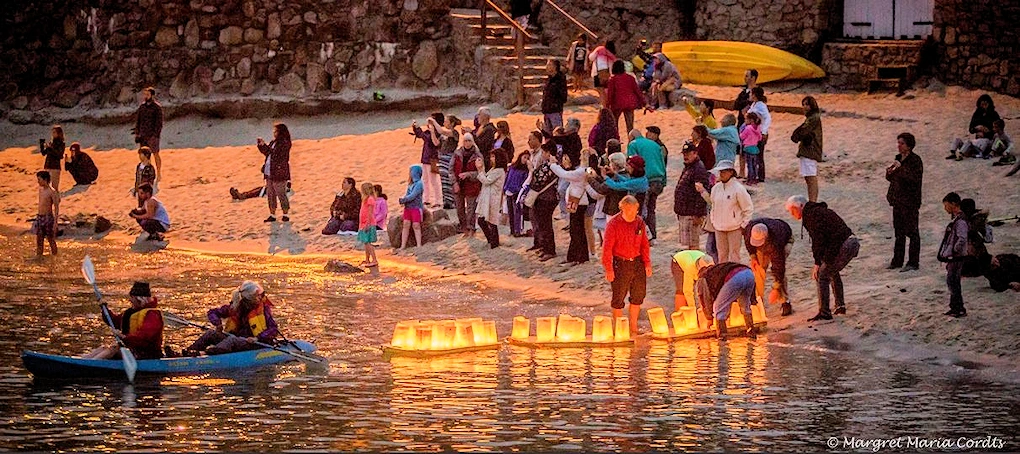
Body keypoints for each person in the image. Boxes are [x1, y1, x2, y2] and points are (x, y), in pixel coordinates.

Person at [786, 195, 859, 321]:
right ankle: (840, 306)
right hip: (850, 242)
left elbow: (819, 240)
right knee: (831, 271)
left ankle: (825, 312)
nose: (791, 214)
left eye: (792, 210)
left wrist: (817, 263)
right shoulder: (816, 212)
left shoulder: (812, 215)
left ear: (801, 206)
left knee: (822, 275)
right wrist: (822, 260)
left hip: (845, 244)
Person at [184, 281, 279, 356]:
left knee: (231, 340)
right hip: (237, 340)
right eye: (260, 295)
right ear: (251, 298)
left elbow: (273, 329)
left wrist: (257, 338)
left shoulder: (263, 310)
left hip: (254, 343)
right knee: (210, 334)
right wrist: (218, 323)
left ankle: (205, 354)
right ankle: (187, 353)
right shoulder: (235, 307)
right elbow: (212, 312)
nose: (262, 297)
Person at [602, 195, 651, 336]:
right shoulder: (613, 224)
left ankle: (633, 327)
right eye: (628, 210)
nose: (632, 213)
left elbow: (644, 244)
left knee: (638, 295)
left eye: (635, 210)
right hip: (620, 262)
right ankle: (619, 328)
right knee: (618, 296)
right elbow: (607, 249)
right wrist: (609, 269)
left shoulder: (639, 222)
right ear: (622, 208)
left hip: (637, 262)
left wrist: (647, 263)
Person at [82, 282, 164, 360]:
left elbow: (144, 336)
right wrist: (104, 308)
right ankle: (83, 361)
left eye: (132, 298)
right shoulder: (130, 312)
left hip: (148, 355)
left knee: (114, 349)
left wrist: (123, 337)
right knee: (103, 348)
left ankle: (89, 365)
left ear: (140, 299)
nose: (130, 300)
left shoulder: (152, 315)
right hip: (132, 351)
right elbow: (114, 322)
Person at [696, 160, 753, 263]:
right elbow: (713, 204)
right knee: (722, 255)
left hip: (734, 227)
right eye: (720, 171)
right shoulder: (716, 188)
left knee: (734, 256)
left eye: (724, 171)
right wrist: (714, 220)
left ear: (731, 172)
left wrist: (743, 225)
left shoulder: (738, 189)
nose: (721, 174)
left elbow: (748, 208)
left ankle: (734, 277)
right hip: (719, 227)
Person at [885, 132, 923, 272]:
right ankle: (897, 261)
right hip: (897, 200)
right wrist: (890, 172)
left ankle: (913, 262)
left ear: (909, 146)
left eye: (902, 143)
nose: (899, 146)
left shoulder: (915, 160)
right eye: (898, 143)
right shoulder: (898, 158)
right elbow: (891, 178)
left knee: (912, 232)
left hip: (910, 201)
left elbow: (914, 179)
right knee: (899, 233)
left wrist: (900, 170)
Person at [694, 261, 759, 339]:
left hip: (734, 277)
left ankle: (722, 338)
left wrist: (709, 318)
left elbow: (704, 299)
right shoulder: (717, 271)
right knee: (745, 306)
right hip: (748, 273)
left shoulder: (702, 278)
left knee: (718, 309)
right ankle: (751, 331)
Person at [744, 218, 794, 316]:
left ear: (766, 237)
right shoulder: (749, 230)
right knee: (758, 270)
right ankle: (758, 303)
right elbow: (748, 244)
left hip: (785, 240)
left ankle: (785, 302)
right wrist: (753, 257)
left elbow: (779, 266)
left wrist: (775, 288)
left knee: (778, 274)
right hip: (768, 239)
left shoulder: (777, 240)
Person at [551, 149, 592, 265]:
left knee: (576, 230)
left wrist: (553, 164)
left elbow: (565, 174)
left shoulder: (582, 171)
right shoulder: (585, 170)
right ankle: (576, 256)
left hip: (578, 202)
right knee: (576, 230)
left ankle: (578, 257)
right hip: (576, 200)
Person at [627, 130, 665, 240]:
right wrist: (664, 180)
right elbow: (662, 162)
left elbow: (631, 164)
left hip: (645, 180)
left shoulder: (633, 145)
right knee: (651, 209)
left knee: (642, 209)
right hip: (658, 179)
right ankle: (652, 234)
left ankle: (643, 236)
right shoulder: (654, 144)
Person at [674, 141, 711, 251]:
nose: (685, 156)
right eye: (684, 154)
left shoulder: (698, 169)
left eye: (688, 153)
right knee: (688, 243)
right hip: (685, 211)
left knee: (693, 244)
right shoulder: (689, 167)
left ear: (695, 153)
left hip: (692, 213)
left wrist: (698, 214)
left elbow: (701, 194)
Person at [937, 192, 969, 318]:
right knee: (952, 282)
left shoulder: (960, 221)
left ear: (953, 204)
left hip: (957, 257)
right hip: (955, 256)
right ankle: (955, 307)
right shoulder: (958, 219)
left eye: (946, 205)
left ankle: (958, 308)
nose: (945, 208)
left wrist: (954, 251)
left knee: (953, 282)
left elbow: (962, 238)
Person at [528, 141, 560, 261]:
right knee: (542, 224)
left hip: (548, 198)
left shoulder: (552, 164)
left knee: (546, 224)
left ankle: (550, 250)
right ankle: (545, 247)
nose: (542, 154)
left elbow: (540, 179)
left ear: (548, 153)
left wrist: (531, 170)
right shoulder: (548, 164)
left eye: (543, 152)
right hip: (543, 197)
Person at [257, 123, 292, 223]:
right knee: (270, 194)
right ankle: (272, 214)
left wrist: (265, 146)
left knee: (281, 194)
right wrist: (261, 146)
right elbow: (268, 153)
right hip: (270, 171)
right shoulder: (274, 142)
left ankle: (285, 214)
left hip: (279, 172)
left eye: (275, 131)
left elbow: (276, 154)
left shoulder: (285, 143)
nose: (274, 133)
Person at [948, 94, 1000, 160]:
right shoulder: (977, 114)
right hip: (976, 141)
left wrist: (986, 132)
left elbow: (998, 131)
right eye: (982, 105)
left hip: (987, 141)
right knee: (957, 140)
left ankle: (961, 154)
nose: (984, 107)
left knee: (971, 142)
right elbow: (971, 129)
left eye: (985, 104)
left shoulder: (994, 115)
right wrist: (976, 128)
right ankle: (953, 153)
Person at [792, 96, 823, 202]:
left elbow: (804, 130)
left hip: (811, 150)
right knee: (807, 176)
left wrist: (797, 135)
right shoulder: (811, 118)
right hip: (807, 150)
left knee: (811, 176)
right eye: (803, 104)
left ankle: (813, 201)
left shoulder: (813, 118)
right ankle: (812, 200)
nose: (805, 107)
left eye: (807, 104)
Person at [411, 113, 444, 209]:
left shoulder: (437, 133)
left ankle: (438, 200)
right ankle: (426, 200)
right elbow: (421, 135)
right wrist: (416, 128)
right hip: (425, 158)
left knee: (434, 181)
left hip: (432, 159)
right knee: (425, 180)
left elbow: (427, 138)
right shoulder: (430, 131)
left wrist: (421, 130)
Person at [476, 148, 507, 249]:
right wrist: (481, 170)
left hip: (492, 198)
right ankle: (491, 240)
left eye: (493, 157)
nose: (491, 159)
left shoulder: (499, 170)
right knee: (484, 220)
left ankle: (494, 242)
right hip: (487, 197)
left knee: (491, 221)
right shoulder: (494, 169)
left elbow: (486, 181)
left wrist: (479, 170)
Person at [605, 60, 645, 136]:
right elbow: (637, 91)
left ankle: (617, 141)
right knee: (630, 125)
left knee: (614, 124)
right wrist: (644, 102)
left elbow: (610, 94)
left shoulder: (613, 79)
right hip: (630, 103)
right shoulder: (630, 78)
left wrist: (607, 105)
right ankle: (631, 142)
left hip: (617, 103)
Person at [453, 133, 483, 235]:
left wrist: (468, 174)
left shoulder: (477, 155)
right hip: (459, 184)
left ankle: (471, 227)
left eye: (469, 140)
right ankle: (463, 226)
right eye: (465, 141)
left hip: (471, 184)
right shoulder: (457, 153)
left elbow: (480, 172)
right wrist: (454, 183)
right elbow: (450, 170)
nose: (467, 143)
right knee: (459, 207)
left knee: (471, 208)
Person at [133, 87, 164, 181]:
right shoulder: (142, 107)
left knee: (155, 154)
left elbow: (159, 123)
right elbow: (138, 121)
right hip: (143, 135)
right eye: (145, 94)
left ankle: (158, 173)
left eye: (147, 94)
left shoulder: (157, 108)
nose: (145, 96)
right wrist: (137, 133)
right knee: (144, 156)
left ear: (152, 95)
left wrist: (155, 135)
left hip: (153, 135)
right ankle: (148, 174)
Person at [746, 87, 771, 182]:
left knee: (759, 155)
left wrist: (764, 131)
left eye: (751, 94)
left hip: (760, 133)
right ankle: (755, 175)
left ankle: (760, 176)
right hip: (754, 133)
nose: (749, 95)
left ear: (754, 95)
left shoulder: (760, 105)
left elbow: (768, 118)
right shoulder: (754, 104)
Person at [438, 115, 462, 209]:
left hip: (449, 158)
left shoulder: (454, 133)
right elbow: (436, 143)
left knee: (449, 179)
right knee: (443, 180)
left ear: (452, 123)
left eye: (446, 121)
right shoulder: (444, 135)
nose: (444, 123)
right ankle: (446, 201)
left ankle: (452, 201)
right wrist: (432, 131)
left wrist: (433, 122)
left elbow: (441, 130)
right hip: (442, 158)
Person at [33, 171, 59, 258]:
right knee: (39, 240)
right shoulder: (41, 190)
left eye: (39, 180)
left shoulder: (52, 192)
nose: (38, 182)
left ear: (45, 180)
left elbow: (56, 207)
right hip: (40, 217)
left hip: (48, 218)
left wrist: (55, 222)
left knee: (51, 239)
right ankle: (39, 257)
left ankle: (55, 257)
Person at [504, 150, 530, 237]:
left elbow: (525, 183)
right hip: (509, 192)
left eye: (527, 158)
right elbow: (508, 178)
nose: (525, 159)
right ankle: (512, 230)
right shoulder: (513, 167)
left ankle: (517, 230)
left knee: (517, 212)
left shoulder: (525, 171)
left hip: (517, 193)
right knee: (510, 212)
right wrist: (505, 188)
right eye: (524, 157)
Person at [398, 164, 425, 249]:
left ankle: (419, 244)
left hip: (416, 208)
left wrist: (404, 199)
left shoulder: (419, 184)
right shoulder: (410, 184)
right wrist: (403, 200)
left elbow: (413, 195)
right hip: (408, 208)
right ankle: (403, 245)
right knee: (406, 225)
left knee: (416, 225)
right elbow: (407, 194)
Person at [541, 59, 568, 132]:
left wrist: (555, 104)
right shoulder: (549, 79)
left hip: (555, 111)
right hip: (547, 111)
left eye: (549, 65)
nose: (546, 67)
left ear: (555, 67)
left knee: (557, 134)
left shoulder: (560, 80)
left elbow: (563, 96)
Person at [588, 40, 617, 105]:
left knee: (601, 92)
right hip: (609, 74)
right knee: (607, 91)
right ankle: (607, 105)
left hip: (598, 74)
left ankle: (603, 107)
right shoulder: (612, 55)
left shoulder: (599, 49)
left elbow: (591, 58)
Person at [357, 183, 379, 267]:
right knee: (365, 242)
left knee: (368, 243)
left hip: (368, 224)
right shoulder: (365, 199)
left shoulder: (370, 199)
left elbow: (370, 213)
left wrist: (367, 224)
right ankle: (367, 259)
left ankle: (374, 259)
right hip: (363, 223)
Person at [740, 111, 763, 185]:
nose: (745, 121)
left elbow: (742, 136)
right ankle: (754, 178)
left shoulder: (748, 128)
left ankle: (749, 179)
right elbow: (760, 138)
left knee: (749, 165)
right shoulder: (758, 128)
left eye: (746, 119)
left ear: (751, 120)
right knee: (754, 164)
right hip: (755, 148)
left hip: (748, 148)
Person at [40, 125, 65, 192]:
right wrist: (42, 145)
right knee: (45, 187)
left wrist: (50, 148)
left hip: (55, 167)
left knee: (54, 188)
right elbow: (44, 153)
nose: (52, 134)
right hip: (48, 166)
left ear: (58, 133)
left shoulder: (61, 143)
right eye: (52, 132)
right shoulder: (51, 143)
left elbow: (59, 155)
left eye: (54, 132)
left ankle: (55, 201)